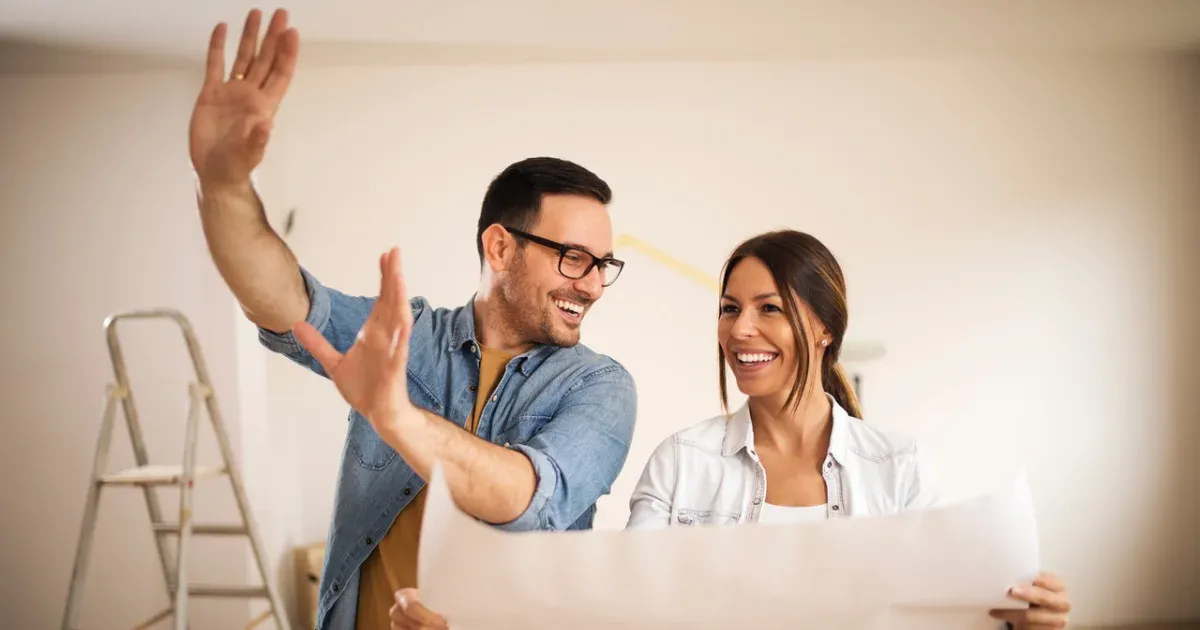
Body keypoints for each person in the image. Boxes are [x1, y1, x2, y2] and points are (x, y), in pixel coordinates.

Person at [188, 9, 637, 630]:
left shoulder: (599, 388)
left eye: (603, 264)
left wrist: (397, 416)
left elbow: (528, 498)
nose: (591, 284)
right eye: (573, 258)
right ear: (500, 248)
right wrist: (223, 187)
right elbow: (282, 302)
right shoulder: (409, 337)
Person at [625, 229, 1072, 630]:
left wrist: (1021, 624)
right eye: (730, 309)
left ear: (825, 327)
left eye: (769, 308)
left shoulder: (899, 467)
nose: (740, 328)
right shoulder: (681, 460)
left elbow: (936, 615)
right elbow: (626, 607)